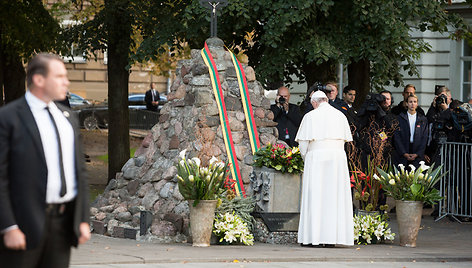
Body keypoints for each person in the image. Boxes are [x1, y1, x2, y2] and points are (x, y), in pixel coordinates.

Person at [0, 53, 90, 267]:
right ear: (39, 80)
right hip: (22, 225)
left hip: (62, 225)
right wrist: (8, 226)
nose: (66, 82)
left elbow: (80, 172)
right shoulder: (8, 118)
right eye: (59, 76)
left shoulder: (68, 118)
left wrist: (82, 218)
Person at [296, 91, 354, 247]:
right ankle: (332, 239)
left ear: (315, 102)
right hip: (337, 159)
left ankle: (312, 238)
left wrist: (306, 159)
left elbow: (303, 146)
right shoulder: (340, 115)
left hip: (316, 158)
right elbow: (346, 142)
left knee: (315, 197)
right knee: (334, 198)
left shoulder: (310, 116)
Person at [393, 94, 429, 168]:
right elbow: (397, 137)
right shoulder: (400, 118)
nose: (412, 104)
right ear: (406, 103)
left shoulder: (422, 119)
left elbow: (424, 137)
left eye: (415, 102)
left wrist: (418, 153)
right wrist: (404, 153)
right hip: (404, 149)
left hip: (417, 150)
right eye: (410, 102)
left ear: (417, 104)